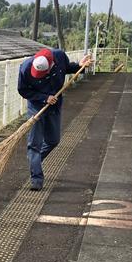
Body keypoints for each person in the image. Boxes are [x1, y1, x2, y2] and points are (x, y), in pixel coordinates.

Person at [17, 48, 91, 191]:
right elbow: (23, 90)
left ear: (51, 65)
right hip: (36, 107)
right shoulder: (25, 68)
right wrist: (44, 98)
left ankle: (35, 161)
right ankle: (36, 178)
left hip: (54, 106)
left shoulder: (59, 56)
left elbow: (67, 68)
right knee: (34, 144)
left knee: (53, 141)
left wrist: (80, 66)